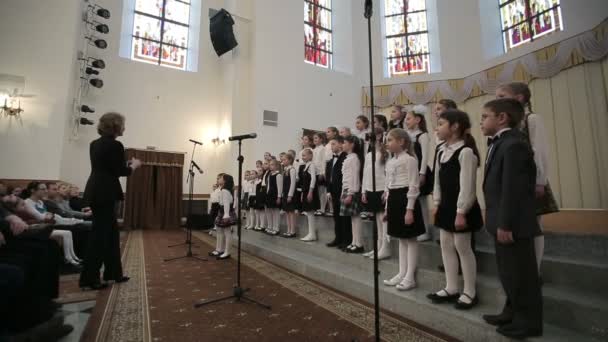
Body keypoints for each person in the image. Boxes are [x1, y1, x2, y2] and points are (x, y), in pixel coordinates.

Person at [480, 98, 543, 339]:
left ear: (502, 118)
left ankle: (529, 323)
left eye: (485, 117)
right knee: (509, 273)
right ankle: (512, 312)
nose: (481, 122)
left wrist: (505, 223)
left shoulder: (514, 144)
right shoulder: (502, 143)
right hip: (501, 221)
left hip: (513, 223)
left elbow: (513, 189)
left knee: (522, 276)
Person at [496, 82, 558, 274]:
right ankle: (522, 267)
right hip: (514, 182)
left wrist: (540, 181)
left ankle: (535, 269)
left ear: (520, 97)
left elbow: (540, 151)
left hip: (531, 181)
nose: (497, 100)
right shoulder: (507, 125)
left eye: (501, 96)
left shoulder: (532, 119)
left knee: (534, 226)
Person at [427, 110, 483, 310]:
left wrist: (461, 212)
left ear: (455, 126)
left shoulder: (466, 152)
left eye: (441, 124)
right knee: (446, 246)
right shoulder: (441, 149)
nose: (437, 128)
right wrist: (437, 202)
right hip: (445, 206)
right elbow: (437, 180)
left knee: (463, 248)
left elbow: (468, 187)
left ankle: (469, 291)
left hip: (462, 208)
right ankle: (451, 287)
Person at [79, 112, 142, 290]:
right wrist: (134, 166)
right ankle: (89, 279)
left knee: (111, 235)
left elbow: (107, 166)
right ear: (115, 126)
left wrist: (125, 164)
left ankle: (114, 273)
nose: (124, 128)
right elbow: (119, 171)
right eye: (122, 124)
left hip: (95, 190)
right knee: (100, 237)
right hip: (105, 193)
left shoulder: (94, 144)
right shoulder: (116, 145)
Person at [383, 128, 425, 291]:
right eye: (387, 140)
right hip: (394, 199)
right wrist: (387, 209)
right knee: (401, 238)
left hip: (406, 200)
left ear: (401, 142)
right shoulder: (391, 161)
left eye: (390, 140)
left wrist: (409, 210)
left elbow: (414, 185)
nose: (387, 143)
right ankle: (401, 272)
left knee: (410, 239)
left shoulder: (410, 159)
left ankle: (410, 277)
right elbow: (388, 187)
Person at [361, 127, 390, 260]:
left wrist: (386, 190)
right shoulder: (368, 155)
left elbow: (388, 174)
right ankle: (378, 247)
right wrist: (363, 191)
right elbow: (366, 174)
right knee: (376, 221)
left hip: (381, 189)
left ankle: (385, 248)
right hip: (370, 189)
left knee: (383, 220)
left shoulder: (386, 153)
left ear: (379, 136)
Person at [405, 105, 433, 242]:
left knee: (422, 202)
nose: (406, 121)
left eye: (409, 118)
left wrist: (422, 174)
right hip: (409, 172)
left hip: (420, 172)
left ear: (417, 119)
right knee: (412, 202)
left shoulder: (423, 135)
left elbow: (425, 156)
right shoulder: (408, 136)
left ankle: (426, 231)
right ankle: (416, 227)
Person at [340, 135, 364, 253]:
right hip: (346, 189)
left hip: (352, 190)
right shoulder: (348, 157)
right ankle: (354, 242)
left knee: (356, 217)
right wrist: (343, 192)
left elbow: (354, 177)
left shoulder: (354, 158)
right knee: (352, 219)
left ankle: (359, 244)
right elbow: (345, 177)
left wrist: (350, 193)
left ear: (352, 145)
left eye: (344, 142)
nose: (342, 145)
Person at [325, 137, 351, 248]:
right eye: (331, 144)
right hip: (333, 192)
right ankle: (338, 238)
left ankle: (347, 240)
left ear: (341, 144)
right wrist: (328, 191)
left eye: (334, 144)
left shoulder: (346, 158)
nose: (332, 146)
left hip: (342, 191)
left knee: (344, 217)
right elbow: (329, 177)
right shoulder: (331, 160)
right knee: (336, 216)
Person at [298, 148, 320, 241]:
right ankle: (311, 233)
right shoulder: (306, 166)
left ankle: (312, 234)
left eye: (304, 155)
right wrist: (303, 192)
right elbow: (304, 182)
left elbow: (313, 179)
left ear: (311, 156)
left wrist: (310, 192)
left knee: (310, 213)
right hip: (306, 191)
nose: (303, 157)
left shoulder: (312, 165)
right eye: (302, 155)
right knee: (308, 213)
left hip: (311, 191)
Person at [212, 174, 236, 260]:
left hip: (226, 212)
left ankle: (227, 252)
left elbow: (226, 204)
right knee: (219, 231)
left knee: (227, 232)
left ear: (225, 181)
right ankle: (219, 249)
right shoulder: (222, 189)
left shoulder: (225, 190)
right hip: (222, 211)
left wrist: (226, 215)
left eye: (220, 178)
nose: (218, 179)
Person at [265, 159, 283, 235]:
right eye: (270, 164)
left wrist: (279, 197)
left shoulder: (278, 175)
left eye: (272, 164)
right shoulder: (270, 175)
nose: (270, 166)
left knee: (276, 212)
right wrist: (267, 194)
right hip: (270, 194)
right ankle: (271, 226)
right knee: (270, 211)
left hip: (276, 195)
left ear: (276, 166)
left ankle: (276, 228)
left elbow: (280, 187)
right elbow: (268, 186)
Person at [281, 154, 298, 238]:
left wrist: (290, 195)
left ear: (290, 160)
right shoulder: (285, 169)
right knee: (287, 212)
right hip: (285, 193)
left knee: (291, 212)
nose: (282, 161)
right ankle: (288, 229)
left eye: (284, 160)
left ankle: (293, 231)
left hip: (290, 194)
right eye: (282, 160)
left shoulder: (292, 170)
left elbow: (293, 183)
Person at [313, 132, 328, 217]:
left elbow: (323, 161)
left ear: (321, 139)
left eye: (316, 138)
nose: (314, 140)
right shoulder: (314, 149)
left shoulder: (323, 148)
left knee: (322, 191)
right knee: (318, 192)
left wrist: (322, 172)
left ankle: (322, 209)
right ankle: (318, 208)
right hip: (315, 172)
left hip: (320, 172)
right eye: (314, 138)